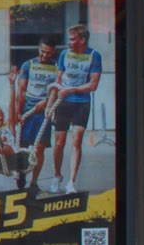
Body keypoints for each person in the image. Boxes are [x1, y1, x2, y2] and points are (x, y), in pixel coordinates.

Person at [47, 22, 103, 194]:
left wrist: (71, 90)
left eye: (73, 39)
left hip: (81, 103)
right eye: (69, 39)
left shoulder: (94, 55)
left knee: (76, 141)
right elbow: (58, 81)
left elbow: (93, 85)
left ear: (82, 40)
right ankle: (57, 175)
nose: (69, 42)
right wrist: (50, 105)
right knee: (59, 143)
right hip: (63, 103)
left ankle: (71, 182)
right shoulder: (64, 54)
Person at [8, 39, 62, 192]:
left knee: (39, 148)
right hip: (28, 109)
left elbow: (56, 90)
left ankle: (34, 182)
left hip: (44, 112)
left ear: (53, 53)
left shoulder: (56, 68)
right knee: (23, 147)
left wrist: (46, 102)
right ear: (39, 48)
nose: (45, 55)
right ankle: (21, 172)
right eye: (43, 51)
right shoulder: (28, 65)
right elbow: (21, 91)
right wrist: (19, 112)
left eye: (48, 53)